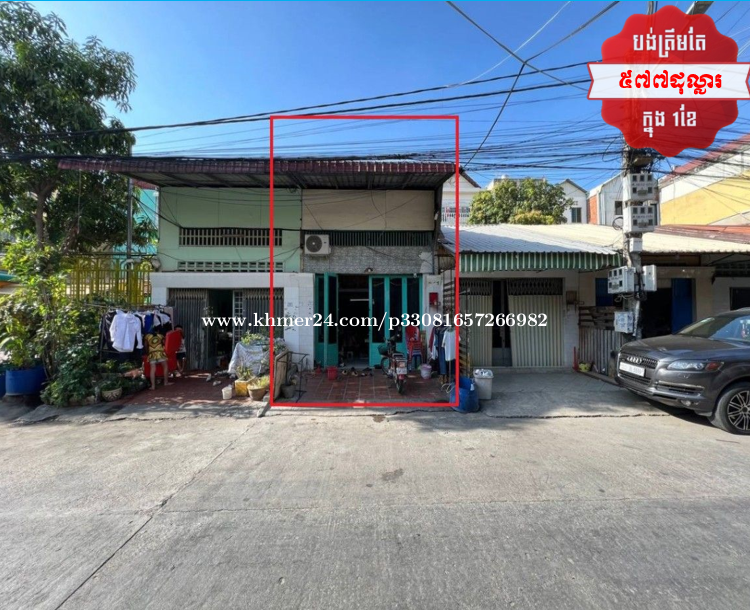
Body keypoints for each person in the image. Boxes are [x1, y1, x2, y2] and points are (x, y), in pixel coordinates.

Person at [145, 325, 172, 390]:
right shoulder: (161, 336)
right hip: (160, 354)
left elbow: (146, 346)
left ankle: (153, 386)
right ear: (158, 331)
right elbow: (165, 344)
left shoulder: (147, 336)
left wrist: (148, 353)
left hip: (152, 354)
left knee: (152, 370)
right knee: (165, 367)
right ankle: (166, 382)